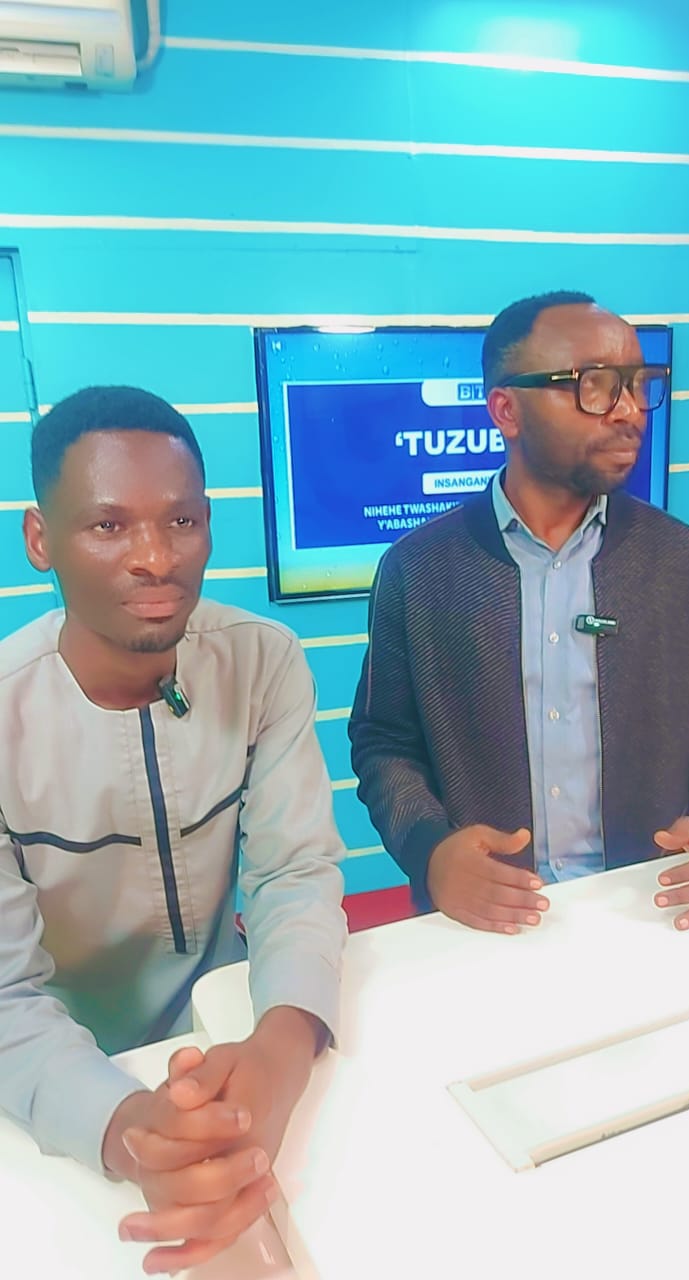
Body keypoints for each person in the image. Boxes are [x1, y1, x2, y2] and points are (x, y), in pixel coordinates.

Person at [0, 386, 347, 1275]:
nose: (156, 559)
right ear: (41, 540)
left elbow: (294, 873)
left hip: (232, 1025)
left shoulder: (262, 659)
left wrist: (282, 1046)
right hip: (51, 1073)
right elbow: (4, 996)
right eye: (108, 526)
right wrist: (125, 1128)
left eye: (182, 521)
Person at [349, 290, 689, 937]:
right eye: (594, 385)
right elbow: (385, 743)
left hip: (660, 912)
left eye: (639, 384)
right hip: (487, 923)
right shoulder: (418, 569)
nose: (629, 409)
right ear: (506, 410)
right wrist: (431, 853)